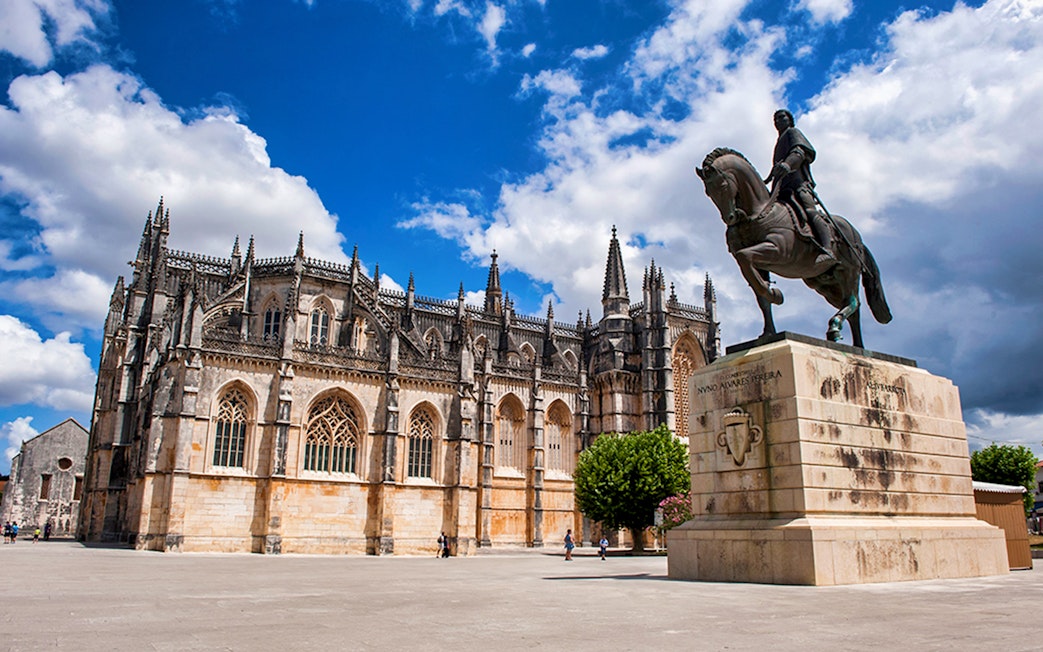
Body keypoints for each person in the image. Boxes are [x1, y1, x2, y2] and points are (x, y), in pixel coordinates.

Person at [764, 109, 834, 264]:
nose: (777, 121)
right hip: (782, 186)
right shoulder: (779, 142)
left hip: (797, 183)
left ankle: (827, 248)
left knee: (809, 210)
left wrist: (787, 165)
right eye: (775, 119)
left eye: (781, 117)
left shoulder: (792, 133)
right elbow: (776, 167)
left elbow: (799, 152)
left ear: (790, 119)